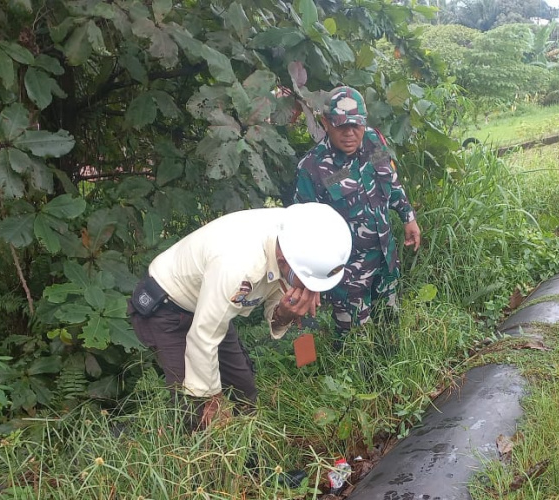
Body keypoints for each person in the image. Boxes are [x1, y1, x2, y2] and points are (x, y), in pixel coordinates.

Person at [128, 203, 352, 429]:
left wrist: (284, 313)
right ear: (284, 261)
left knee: (244, 394)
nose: (312, 292)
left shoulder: (297, 236)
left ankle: (249, 457)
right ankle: (195, 452)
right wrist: (212, 400)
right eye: (308, 282)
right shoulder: (238, 265)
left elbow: (274, 290)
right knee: (194, 408)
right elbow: (203, 335)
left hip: (212, 303)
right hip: (169, 306)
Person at [293, 86, 421, 345]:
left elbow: (390, 179)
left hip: (385, 261)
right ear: (325, 123)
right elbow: (301, 232)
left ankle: (393, 379)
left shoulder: (374, 140)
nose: (350, 134)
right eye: (341, 126)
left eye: (357, 125)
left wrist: (408, 217)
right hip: (348, 277)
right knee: (355, 345)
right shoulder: (313, 168)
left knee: (390, 333)